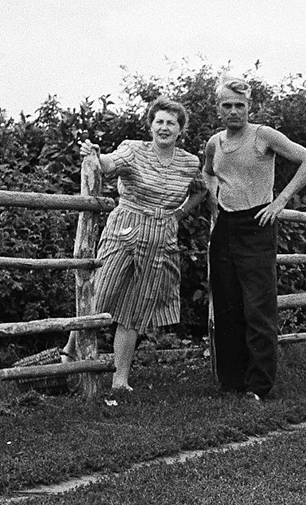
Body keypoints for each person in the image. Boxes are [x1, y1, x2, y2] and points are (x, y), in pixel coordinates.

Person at [63, 97, 208, 391]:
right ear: (151, 125)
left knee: (135, 309)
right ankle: (69, 353)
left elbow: (200, 190)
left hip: (160, 238)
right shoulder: (133, 149)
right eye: (160, 122)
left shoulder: (190, 161)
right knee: (99, 293)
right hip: (125, 228)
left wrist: (179, 213)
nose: (164, 128)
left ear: (181, 130)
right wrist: (95, 155)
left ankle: (120, 379)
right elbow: (108, 164)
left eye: (171, 123)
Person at [202, 76, 306, 401]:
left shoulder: (263, 135)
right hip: (226, 227)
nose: (233, 111)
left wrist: (280, 202)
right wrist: (213, 201)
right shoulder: (215, 142)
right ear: (219, 108)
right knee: (227, 307)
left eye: (239, 105)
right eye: (227, 105)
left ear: (249, 107)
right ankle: (232, 383)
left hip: (258, 223)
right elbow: (208, 172)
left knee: (258, 307)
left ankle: (258, 386)